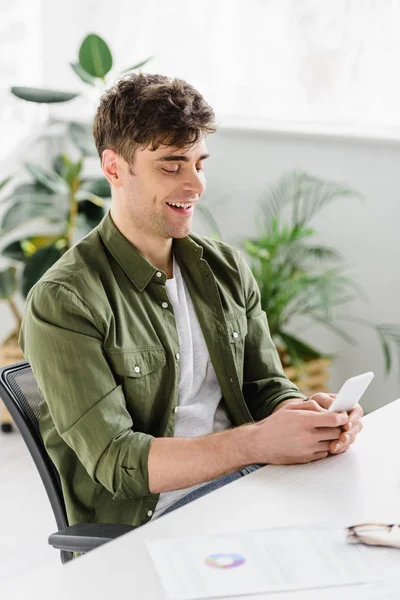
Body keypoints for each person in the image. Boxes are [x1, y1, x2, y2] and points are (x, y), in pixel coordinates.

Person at [20, 73, 363, 528]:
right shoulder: (65, 300)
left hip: (251, 486)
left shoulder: (224, 268)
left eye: (200, 163)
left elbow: (264, 388)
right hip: (156, 521)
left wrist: (304, 418)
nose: (196, 184)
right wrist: (258, 442)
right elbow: (117, 461)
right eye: (171, 165)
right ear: (114, 167)